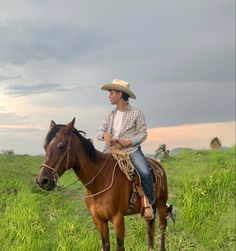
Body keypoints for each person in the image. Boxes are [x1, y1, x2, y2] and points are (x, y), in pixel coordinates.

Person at [96, 79, 155, 219]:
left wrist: (128, 141)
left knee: (145, 173)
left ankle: (149, 204)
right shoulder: (110, 115)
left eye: (111, 93)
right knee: (96, 170)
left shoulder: (136, 113)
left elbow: (143, 134)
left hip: (131, 151)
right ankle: (100, 202)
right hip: (111, 150)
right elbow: (99, 132)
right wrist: (105, 135)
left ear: (120, 94)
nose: (109, 96)